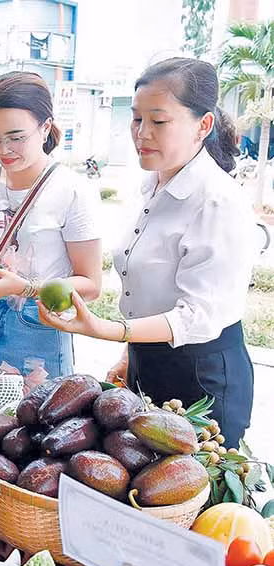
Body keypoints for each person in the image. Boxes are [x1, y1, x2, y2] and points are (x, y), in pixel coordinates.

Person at [38, 58, 255, 445]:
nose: (142, 133)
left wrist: (107, 330)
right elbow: (148, 293)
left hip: (201, 378)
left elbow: (197, 316)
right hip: (147, 359)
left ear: (203, 125)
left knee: (188, 480)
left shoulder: (218, 201)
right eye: (136, 119)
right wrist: (130, 352)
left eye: (159, 121)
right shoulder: (151, 186)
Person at [0, 71, 103, 385]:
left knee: (39, 416)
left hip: (41, 338)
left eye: (16, 137)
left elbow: (91, 285)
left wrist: (25, 288)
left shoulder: (73, 190)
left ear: (45, 127)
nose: (2, 149)